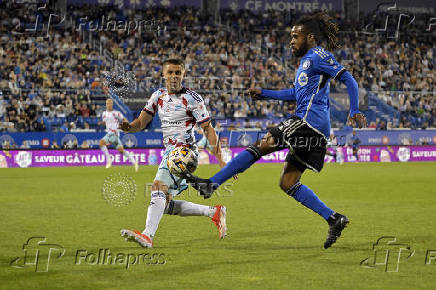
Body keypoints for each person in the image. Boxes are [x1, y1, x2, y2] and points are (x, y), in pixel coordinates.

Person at [184, 12, 367, 249]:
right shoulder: (305, 63)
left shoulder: (319, 55)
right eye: (291, 36)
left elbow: (349, 79)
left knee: (263, 144)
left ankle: (212, 184)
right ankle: (334, 218)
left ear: (310, 37)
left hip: (309, 122)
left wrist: (354, 109)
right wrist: (264, 93)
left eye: (296, 36)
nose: (291, 41)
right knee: (288, 182)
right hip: (311, 126)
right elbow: (294, 94)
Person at [118, 58, 229, 248]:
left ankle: (147, 236)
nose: (174, 76)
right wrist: (129, 127)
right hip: (169, 152)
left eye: (178, 73)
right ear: (163, 75)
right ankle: (213, 212)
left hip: (184, 153)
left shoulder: (192, 98)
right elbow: (141, 123)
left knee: (157, 187)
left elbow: (208, 130)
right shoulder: (157, 96)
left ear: (183, 75)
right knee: (165, 203)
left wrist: (222, 162)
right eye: (170, 72)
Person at [99, 98, 138, 171]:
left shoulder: (116, 113)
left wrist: (127, 127)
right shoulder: (104, 114)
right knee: (121, 150)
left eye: (110, 103)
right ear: (106, 104)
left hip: (114, 133)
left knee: (101, 143)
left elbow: (124, 119)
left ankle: (109, 160)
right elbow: (106, 122)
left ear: (112, 104)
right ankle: (134, 161)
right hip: (110, 133)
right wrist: (101, 123)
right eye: (107, 103)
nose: (108, 105)